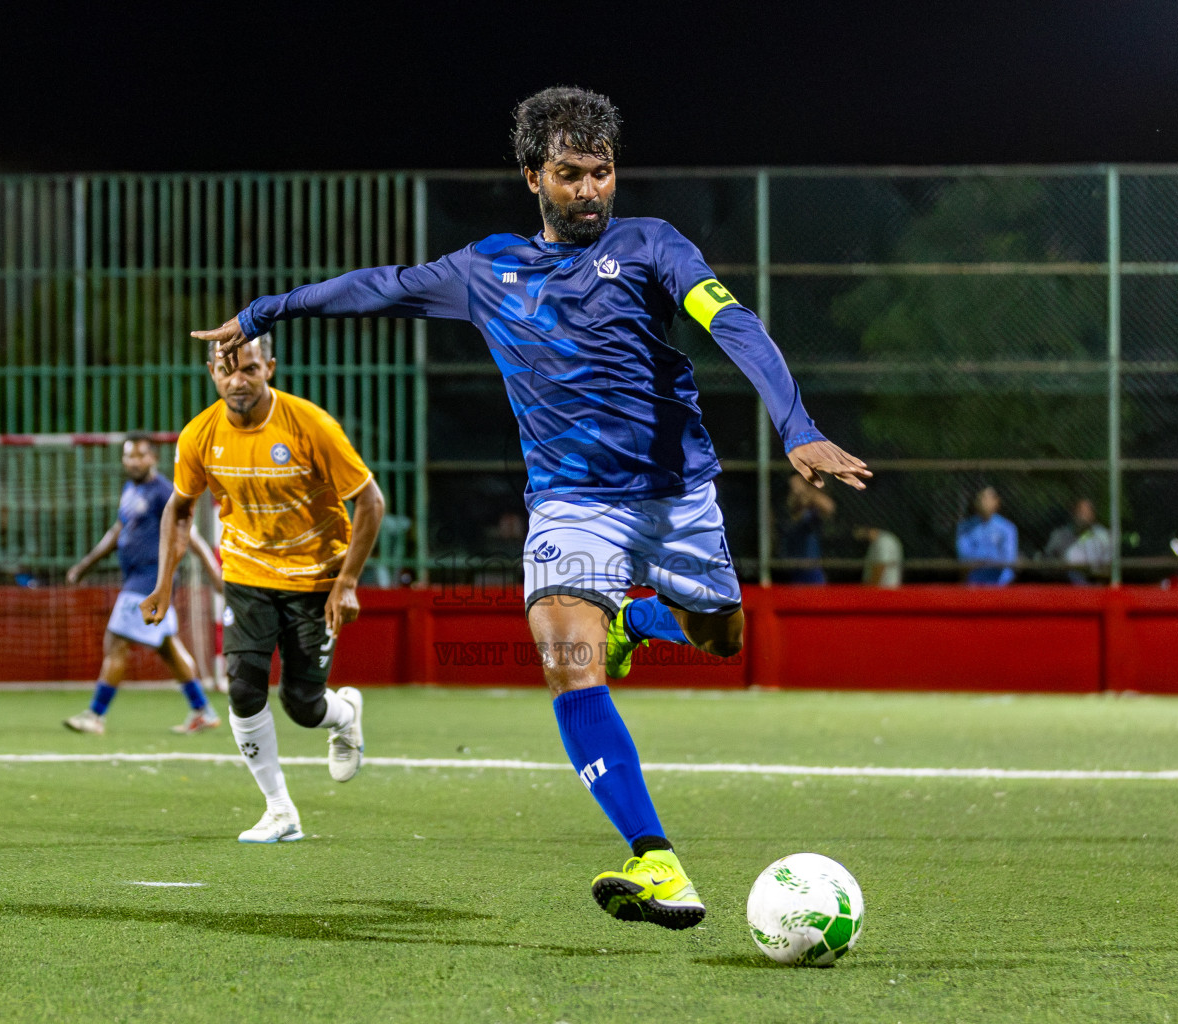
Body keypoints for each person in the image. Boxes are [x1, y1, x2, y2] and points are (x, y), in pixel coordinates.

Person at [192, 87, 869, 928]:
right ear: (533, 178)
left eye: (603, 172)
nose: (590, 190)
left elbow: (733, 324)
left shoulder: (654, 247)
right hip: (569, 504)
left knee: (721, 640)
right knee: (563, 653)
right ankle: (656, 861)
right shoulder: (487, 270)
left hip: (676, 495)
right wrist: (263, 311)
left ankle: (636, 623)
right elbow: (380, 287)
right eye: (570, 174)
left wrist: (795, 425)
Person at [140, 333, 385, 844]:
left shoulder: (310, 425)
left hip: (315, 579)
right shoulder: (199, 435)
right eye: (227, 370)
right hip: (247, 576)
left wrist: (347, 583)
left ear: (269, 367)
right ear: (212, 372)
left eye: (249, 369)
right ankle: (280, 811)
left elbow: (371, 501)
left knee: (302, 704)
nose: (237, 380)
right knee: (244, 688)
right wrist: (163, 584)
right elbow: (180, 510)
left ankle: (345, 714)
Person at [62, 435, 225, 736]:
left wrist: (214, 574)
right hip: (139, 577)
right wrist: (86, 565)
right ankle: (202, 710)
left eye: (140, 456)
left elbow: (190, 534)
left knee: (116, 642)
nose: (134, 462)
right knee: (168, 648)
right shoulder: (131, 489)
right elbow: (118, 530)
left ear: (153, 459)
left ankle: (95, 715)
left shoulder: (163, 492)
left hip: (149, 580)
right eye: (129, 456)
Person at [956, 486, 1017, 586]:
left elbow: (1008, 560)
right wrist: (991, 559)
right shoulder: (964, 528)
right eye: (981, 498)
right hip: (973, 586)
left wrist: (980, 561)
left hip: (1001, 587)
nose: (983, 502)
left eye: (988, 498)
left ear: (996, 502)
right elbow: (964, 558)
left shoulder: (1008, 528)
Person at [1043, 498, 1112, 585]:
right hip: (1066, 582)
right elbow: (1048, 559)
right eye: (1080, 512)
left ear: (1093, 515)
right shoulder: (1060, 535)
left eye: (1087, 512)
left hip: (1096, 582)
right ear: (1074, 514)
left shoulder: (1102, 535)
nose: (1083, 516)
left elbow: (1108, 565)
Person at [781, 473, 836, 583]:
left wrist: (805, 491)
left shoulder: (811, 510)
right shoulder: (785, 509)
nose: (795, 491)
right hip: (789, 568)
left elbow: (829, 507)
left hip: (811, 567)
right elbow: (792, 510)